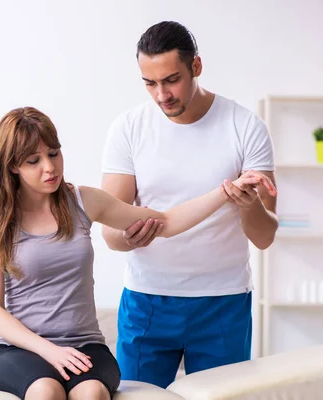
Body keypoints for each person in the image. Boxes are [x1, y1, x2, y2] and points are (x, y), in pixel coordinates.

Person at [0, 106, 276, 400]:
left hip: (84, 346)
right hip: (21, 350)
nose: (50, 167)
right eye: (34, 160)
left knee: (92, 392)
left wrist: (227, 192)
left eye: (54, 153)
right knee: (45, 391)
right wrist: (50, 351)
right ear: (13, 166)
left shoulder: (83, 201)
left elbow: (166, 222)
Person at [101, 21, 279, 389]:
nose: (161, 94)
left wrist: (247, 205)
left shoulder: (245, 126)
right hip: (147, 299)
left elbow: (265, 237)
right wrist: (130, 237)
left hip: (222, 302)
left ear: (196, 67)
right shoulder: (128, 128)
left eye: (171, 80)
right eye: (150, 83)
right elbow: (110, 235)